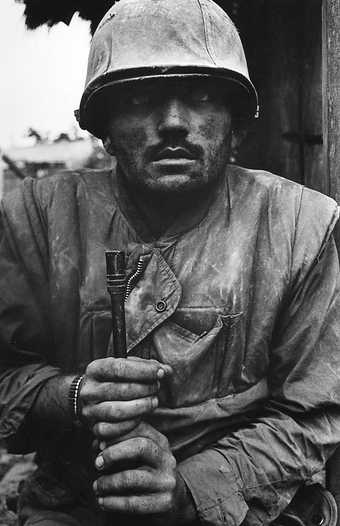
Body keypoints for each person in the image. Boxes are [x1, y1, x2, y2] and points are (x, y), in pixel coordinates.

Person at [1, 0, 340, 525]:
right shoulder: (34, 220)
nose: (174, 122)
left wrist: (191, 489)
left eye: (202, 96)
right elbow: (6, 377)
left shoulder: (300, 225)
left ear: (237, 127)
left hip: (248, 506)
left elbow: (312, 415)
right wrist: (68, 396)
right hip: (77, 504)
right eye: (140, 97)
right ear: (104, 128)